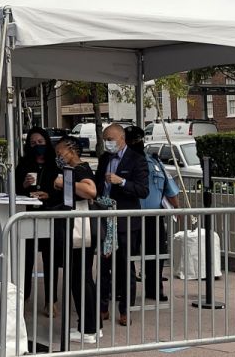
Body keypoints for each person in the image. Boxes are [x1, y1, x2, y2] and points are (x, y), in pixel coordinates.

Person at [95, 123, 149, 327]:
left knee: (126, 267)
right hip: (105, 220)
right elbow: (98, 185)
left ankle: (125, 310)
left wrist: (122, 182)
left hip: (125, 222)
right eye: (105, 140)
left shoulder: (137, 159)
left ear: (121, 138)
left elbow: (143, 190)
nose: (107, 143)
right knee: (104, 266)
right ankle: (102, 307)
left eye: (110, 139)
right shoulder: (104, 159)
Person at [52, 137, 102, 345]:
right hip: (79, 230)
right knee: (82, 278)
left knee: (81, 279)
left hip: (81, 230)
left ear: (71, 150)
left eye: (60, 153)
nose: (58, 157)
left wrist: (64, 183)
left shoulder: (80, 169)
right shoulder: (74, 169)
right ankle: (92, 326)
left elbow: (91, 191)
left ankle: (89, 330)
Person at [14, 128, 61, 308]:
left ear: (47, 142)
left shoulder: (55, 165)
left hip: (49, 216)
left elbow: (63, 192)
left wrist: (48, 195)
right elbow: (15, 190)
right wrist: (24, 185)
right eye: (33, 143)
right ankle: (24, 296)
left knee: (50, 259)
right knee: (26, 259)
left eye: (40, 142)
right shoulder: (23, 164)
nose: (37, 146)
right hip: (28, 216)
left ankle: (51, 300)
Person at [133, 126, 180, 302]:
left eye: (139, 139)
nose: (137, 143)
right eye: (133, 140)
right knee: (126, 255)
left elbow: (169, 188)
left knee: (156, 254)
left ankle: (154, 289)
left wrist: (177, 208)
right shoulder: (122, 163)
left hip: (153, 217)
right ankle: (125, 290)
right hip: (129, 216)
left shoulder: (154, 162)